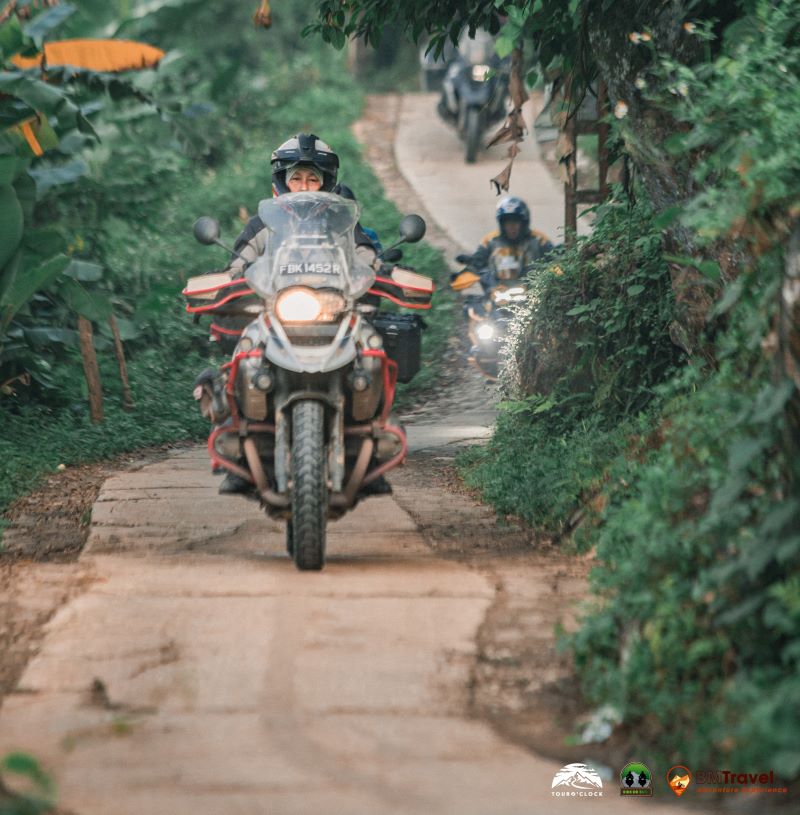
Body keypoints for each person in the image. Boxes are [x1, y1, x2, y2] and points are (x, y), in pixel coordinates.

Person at [460, 196, 554, 292]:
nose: (511, 227)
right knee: (472, 305)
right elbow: (478, 260)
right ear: (501, 224)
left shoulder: (538, 239)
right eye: (507, 222)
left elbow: (555, 259)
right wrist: (469, 268)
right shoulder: (490, 240)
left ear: (524, 223)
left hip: (533, 292)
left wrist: (556, 269)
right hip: (497, 293)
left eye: (515, 222)